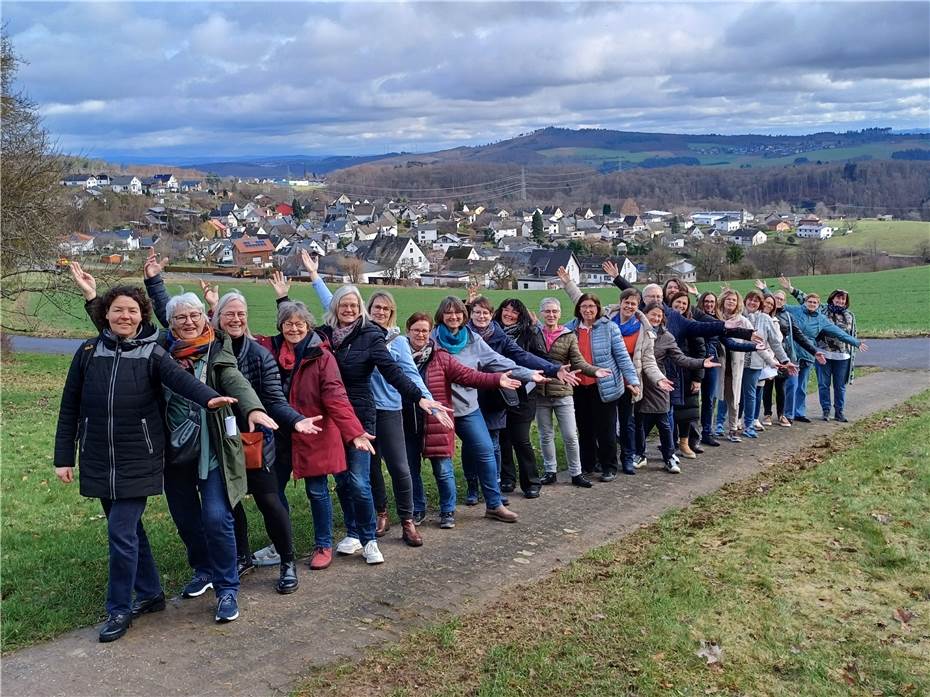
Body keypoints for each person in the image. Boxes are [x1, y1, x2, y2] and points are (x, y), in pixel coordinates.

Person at [71, 260, 279, 624]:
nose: (188, 322)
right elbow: (121, 328)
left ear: (205, 318)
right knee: (186, 520)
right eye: (180, 318)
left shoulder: (218, 349)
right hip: (170, 452)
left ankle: (228, 587)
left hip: (213, 450)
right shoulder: (159, 347)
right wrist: (93, 296)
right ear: (171, 323)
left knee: (216, 518)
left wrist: (254, 409)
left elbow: (234, 379)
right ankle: (203, 570)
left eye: (194, 315)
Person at [54, 279, 233, 642]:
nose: (125, 315)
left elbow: (180, 381)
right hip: (99, 456)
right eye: (118, 309)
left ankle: (118, 609)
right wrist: (63, 456)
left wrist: (210, 398)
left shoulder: (152, 353)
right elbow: (69, 405)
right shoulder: (88, 351)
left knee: (120, 532)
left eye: (132, 310)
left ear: (142, 317)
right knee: (130, 531)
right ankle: (151, 593)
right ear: (105, 314)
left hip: (140, 456)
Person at [272, 271, 450, 564]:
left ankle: (368, 539)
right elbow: (294, 329)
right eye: (344, 303)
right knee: (342, 481)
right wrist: (283, 299)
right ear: (335, 306)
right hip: (330, 419)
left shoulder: (370, 335)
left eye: (354, 304)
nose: (349, 309)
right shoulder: (325, 334)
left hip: (360, 415)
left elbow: (392, 371)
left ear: (361, 309)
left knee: (358, 480)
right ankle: (353, 532)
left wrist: (420, 398)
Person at [197, 282, 323, 592]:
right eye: (229, 314)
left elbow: (275, 398)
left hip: (255, 440)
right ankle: (241, 557)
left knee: (270, 501)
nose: (236, 319)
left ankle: (287, 561)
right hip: (217, 443)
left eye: (241, 313)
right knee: (230, 503)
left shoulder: (259, 354)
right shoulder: (206, 351)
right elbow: (168, 317)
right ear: (217, 317)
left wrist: (295, 421)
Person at [261, 300, 375, 571]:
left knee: (317, 491)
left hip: (314, 432)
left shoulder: (322, 357)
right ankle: (280, 544)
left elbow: (336, 396)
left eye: (300, 324)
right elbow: (233, 334)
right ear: (280, 326)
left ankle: (323, 545)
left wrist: (355, 432)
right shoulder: (269, 350)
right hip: (279, 432)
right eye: (288, 323)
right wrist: (213, 308)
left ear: (308, 326)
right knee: (272, 492)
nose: (294, 328)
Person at [432, 295, 546, 522]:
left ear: (464, 316)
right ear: (441, 316)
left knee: (485, 452)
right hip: (439, 409)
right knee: (443, 462)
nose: (453, 317)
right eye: (448, 313)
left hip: (467, 407)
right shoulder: (431, 340)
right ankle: (447, 511)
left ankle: (493, 504)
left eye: (457, 313)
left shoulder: (473, 340)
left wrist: (529, 373)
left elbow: (500, 362)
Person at [403, 312, 521, 528]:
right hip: (408, 418)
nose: (420, 334)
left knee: (444, 468)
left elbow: (468, 375)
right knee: (411, 468)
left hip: (438, 420)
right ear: (407, 330)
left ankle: (449, 511)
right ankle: (417, 509)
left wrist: (497, 379)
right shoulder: (398, 355)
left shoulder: (440, 356)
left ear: (431, 333)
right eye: (416, 330)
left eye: (425, 330)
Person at [465, 295, 574, 502]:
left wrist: (552, 369)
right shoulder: (468, 332)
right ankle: (498, 482)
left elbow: (526, 357)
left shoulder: (521, 333)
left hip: (519, 392)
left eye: (515, 311)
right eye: (506, 309)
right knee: (496, 441)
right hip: (483, 394)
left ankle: (527, 483)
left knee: (518, 439)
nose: (510, 314)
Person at [534, 297, 612, 486]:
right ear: (541, 313)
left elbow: (578, 362)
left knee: (570, 435)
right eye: (547, 311)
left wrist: (594, 370)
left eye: (555, 311)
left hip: (563, 392)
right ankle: (550, 471)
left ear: (560, 313)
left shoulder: (569, 335)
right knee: (545, 435)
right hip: (540, 392)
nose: (551, 315)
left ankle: (576, 473)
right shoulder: (534, 335)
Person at [562, 293, 641, 480]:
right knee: (585, 427)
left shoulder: (609, 328)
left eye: (591, 306)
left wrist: (633, 381)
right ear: (578, 309)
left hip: (604, 385)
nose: (588, 310)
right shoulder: (569, 328)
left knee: (606, 429)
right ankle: (589, 464)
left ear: (598, 309)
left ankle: (609, 467)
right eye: (584, 307)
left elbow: (622, 356)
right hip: (579, 386)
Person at [636, 302, 719, 473]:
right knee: (640, 422)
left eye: (659, 315)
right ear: (645, 314)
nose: (656, 318)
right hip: (638, 383)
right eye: (653, 314)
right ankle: (639, 453)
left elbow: (681, 359)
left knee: (664, 422)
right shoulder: (636, 331)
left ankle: (668, 457)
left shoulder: (667, 337)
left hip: (660, 384)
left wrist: (701, 363)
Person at [776, 276, 866, 423]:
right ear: (831, 299)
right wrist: (786, 289)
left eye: (843, 299)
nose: (840, 301)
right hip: (808, 352)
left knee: (812, 386)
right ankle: (793, 414)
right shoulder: (809, 310)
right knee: (797, 384)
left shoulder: (840, 316)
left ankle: (827, 412)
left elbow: (841, 333)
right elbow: (777, 305)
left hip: (826, 354)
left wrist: (856, 342)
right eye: (838, 299)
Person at [605, 288, 673, 473]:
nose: (629, 306)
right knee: (608, 423)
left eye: (633, 303)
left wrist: (659, 379)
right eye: (626, 302)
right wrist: (568, 283)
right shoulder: (606, 321)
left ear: (637, 307)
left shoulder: (644, 330)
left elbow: (649, 361)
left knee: (627, 423)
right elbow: (583, 303)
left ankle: (627, 458)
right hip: (606, 380)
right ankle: (607, 462)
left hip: (630, 382)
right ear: (620, 303)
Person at [756, 282, 826, 425]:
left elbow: (800, 336)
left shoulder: (788, 316)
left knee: (781, 386)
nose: (778, 301)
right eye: (776, 299)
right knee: (767, 385)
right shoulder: (761, 315)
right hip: (766, 354)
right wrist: (764, 289)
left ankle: (782, 414)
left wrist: (814, 351)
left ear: (784, 302)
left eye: (781, 299)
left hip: (783, 354)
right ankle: (767, 414)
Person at [739, 290, 795, 439]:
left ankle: (749, 424)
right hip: (735, 362)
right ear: (745, 301)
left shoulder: (765, 319)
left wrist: (784, 360)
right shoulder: (738, 315)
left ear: (760, 304)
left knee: (751, 394)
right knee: (733, 395)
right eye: (750, 300)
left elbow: (775, 343)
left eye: (756, 301)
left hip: (756, 362)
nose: (752, 303)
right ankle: (731, 424)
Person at [667, 292, 706, 458]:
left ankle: (684, 443)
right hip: (667, 373)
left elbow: (700, 352)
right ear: (670, 303)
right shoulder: (664, 321)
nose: (681, 306)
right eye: (678, 302)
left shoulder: (691, 324)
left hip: (688, 373)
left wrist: (698, 378)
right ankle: (669, 444)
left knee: (686, 412)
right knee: (668, 411)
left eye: (684, 303)